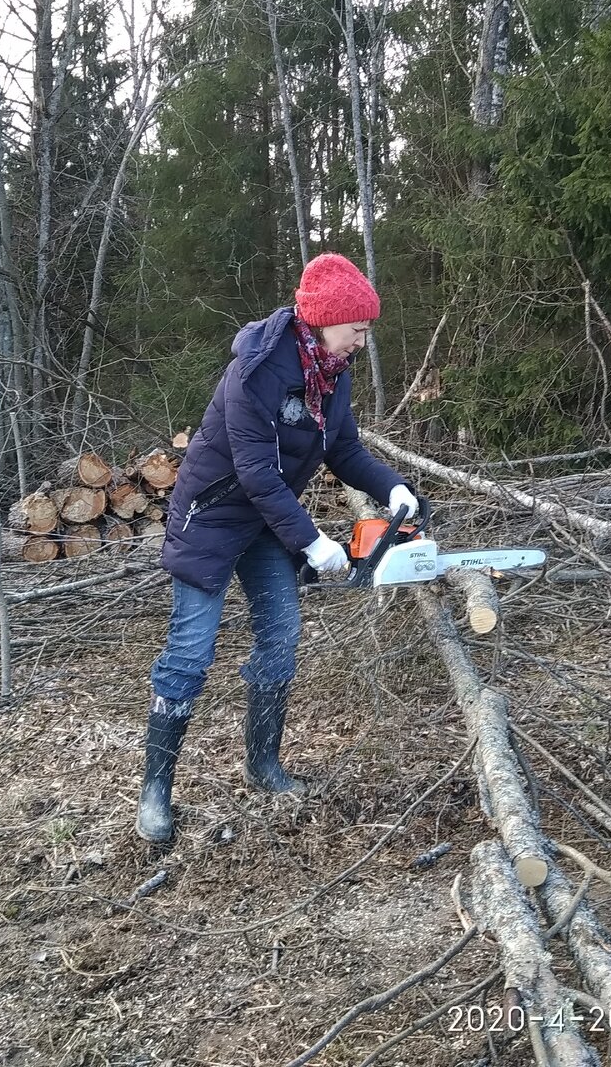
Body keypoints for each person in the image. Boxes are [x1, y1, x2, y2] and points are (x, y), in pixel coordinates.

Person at [136, 253, 420, 844]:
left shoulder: (331, 375)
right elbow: (256, 471)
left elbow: (343, 450)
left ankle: (263, 763)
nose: (362, 342)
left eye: (366, 330)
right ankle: (155, 792)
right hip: (212, 517)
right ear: (324, 320)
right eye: (357, 329)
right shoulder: (258, 370)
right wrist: (312, 541)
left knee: (282, 634)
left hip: (267, 521)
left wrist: (392, 485)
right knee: (191, 650)